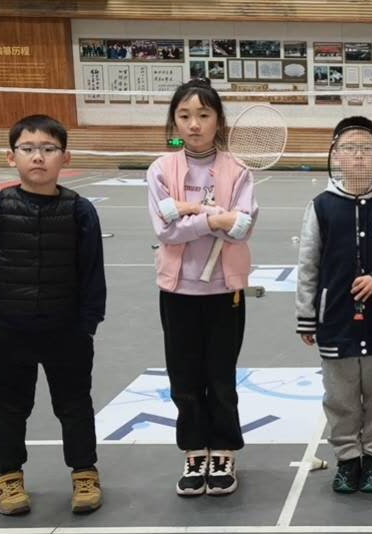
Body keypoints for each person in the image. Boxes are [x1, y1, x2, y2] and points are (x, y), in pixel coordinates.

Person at [0, 114, 106, 515]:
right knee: (9, 406)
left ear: (65, 157)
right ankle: (9, 478)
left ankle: (84, 473)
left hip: (67, 331)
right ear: (12, 157)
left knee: (74, 404)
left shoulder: (80, 211)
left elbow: (93, 273)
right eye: (28, 149)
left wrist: (87, 326)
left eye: (48, 149)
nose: (38, 157)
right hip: (8, 331)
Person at [295, 116, 372, 494]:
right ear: (335, 156)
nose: (359, 156)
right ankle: (348, 459)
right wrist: (306, 316)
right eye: (349, 149)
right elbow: (308, 265)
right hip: (335, 322)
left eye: (367, 149)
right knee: (341, 398)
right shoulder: (320, 207)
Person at [147, 80, 259, 496]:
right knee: (184, 378)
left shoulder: (239, 171)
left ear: (218, 121)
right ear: (174, 121)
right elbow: (165, 230)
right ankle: (195, 451)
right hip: (178, 292)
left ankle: (224, 450)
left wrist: (190, 216)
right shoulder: (161, 170)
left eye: (203, 115)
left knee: (221, 377)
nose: (194, 124)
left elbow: (243, 227)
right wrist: (213, 218)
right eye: (184, 115)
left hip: (224, 293)